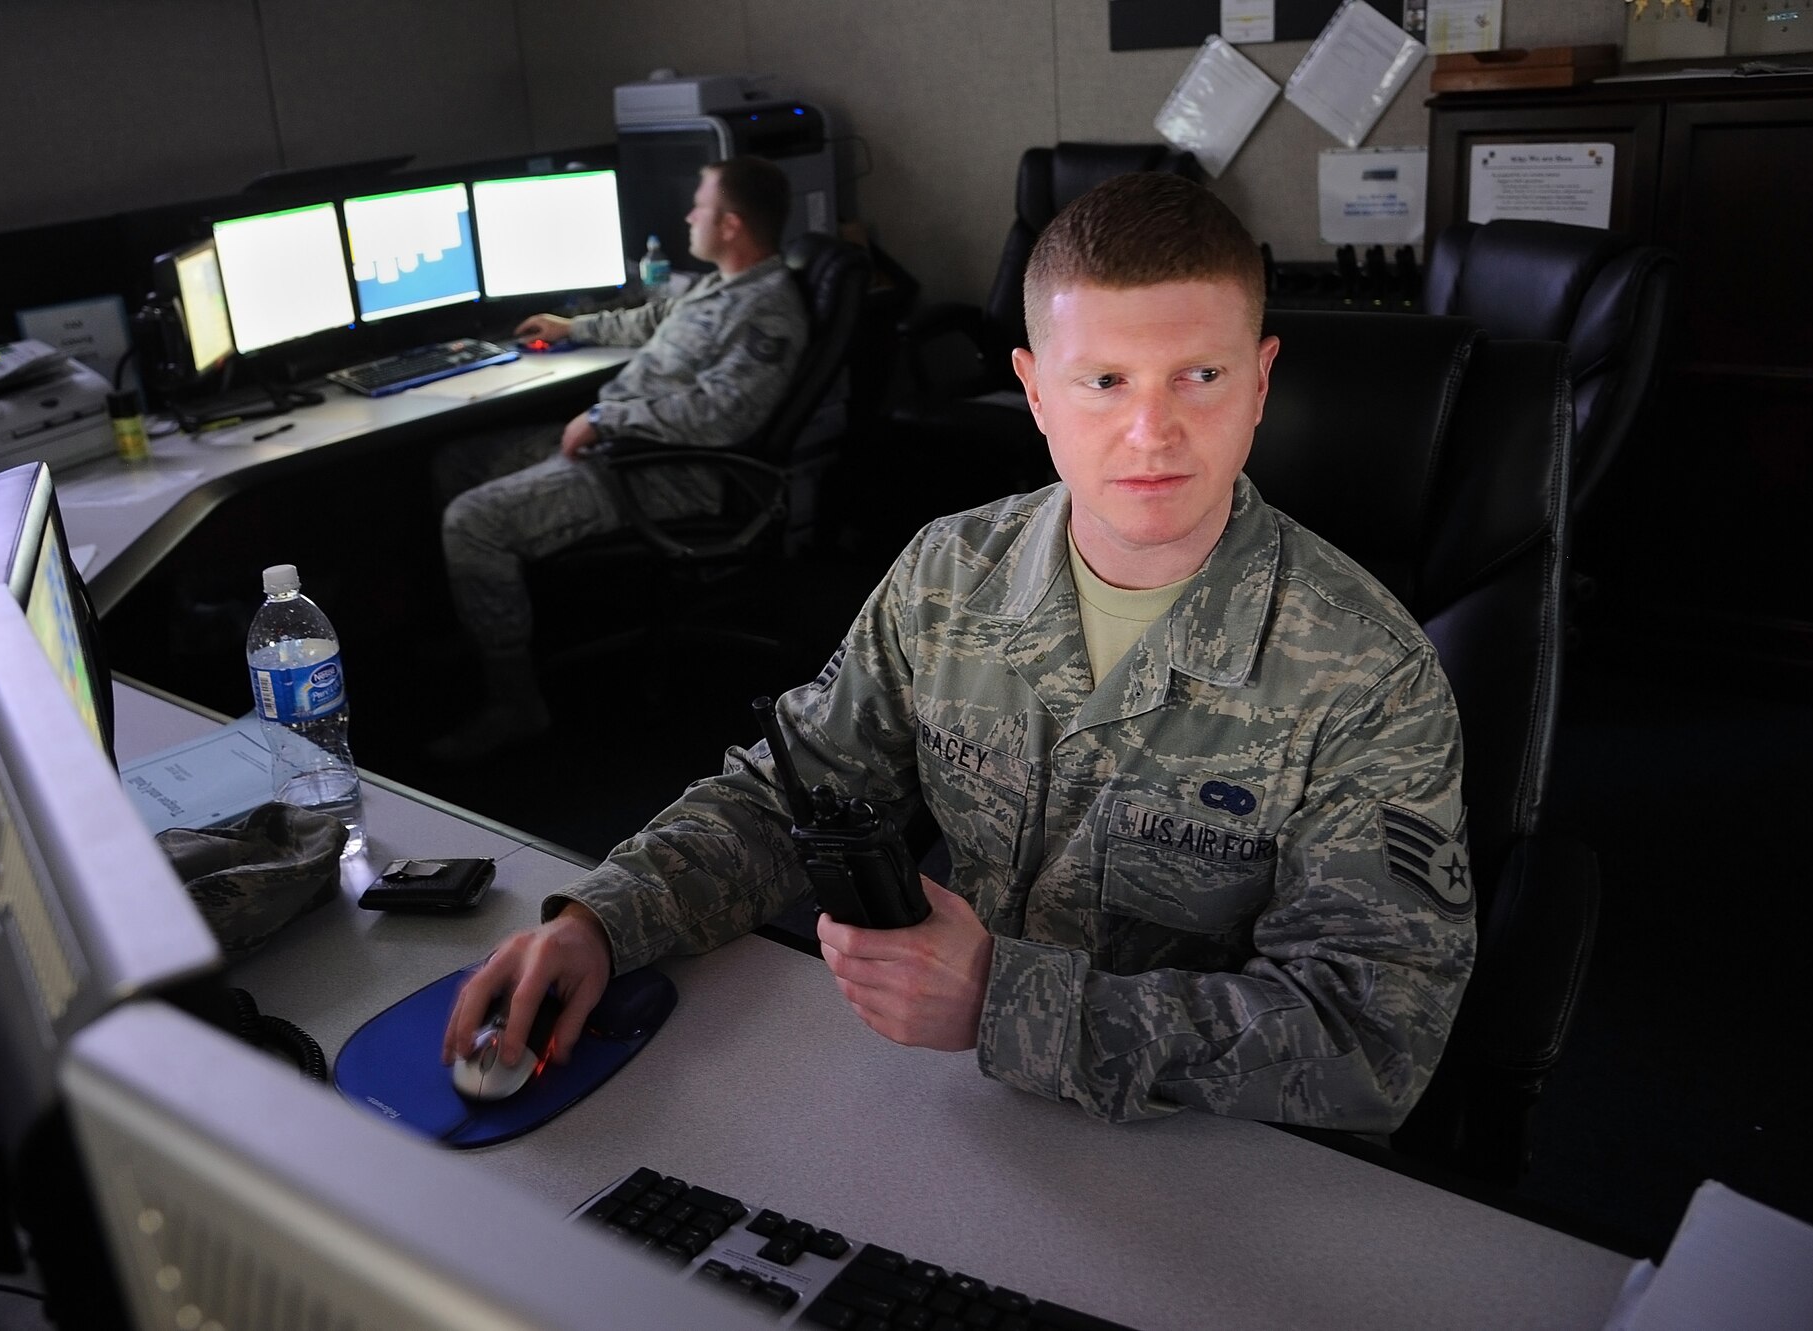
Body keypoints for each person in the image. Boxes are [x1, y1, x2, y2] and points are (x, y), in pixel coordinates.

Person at [442, 172, 1476, 1133]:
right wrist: (603, 920)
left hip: (1199, 1158)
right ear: (1033, 392)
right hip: (957, 1107)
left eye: (1197, 376)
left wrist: (1002, 1000)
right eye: (1103, 380)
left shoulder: (1366, 672)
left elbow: (1370, 1036)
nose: (1149, 431)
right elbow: (787, 796)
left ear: (1258, 383)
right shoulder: (948, 577)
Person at [429, 156, 809, 760]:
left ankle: (514, 701)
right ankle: (487, 624)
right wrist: (572, 326)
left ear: (731, 223)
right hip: (623, 446)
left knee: (472, 521)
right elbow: (651, 320)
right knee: (456, 461)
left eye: (700, 204)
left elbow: (723, 415)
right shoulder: (720, 284)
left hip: (667, 472)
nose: (688, 214)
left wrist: (608, 418)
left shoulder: (768, 309)